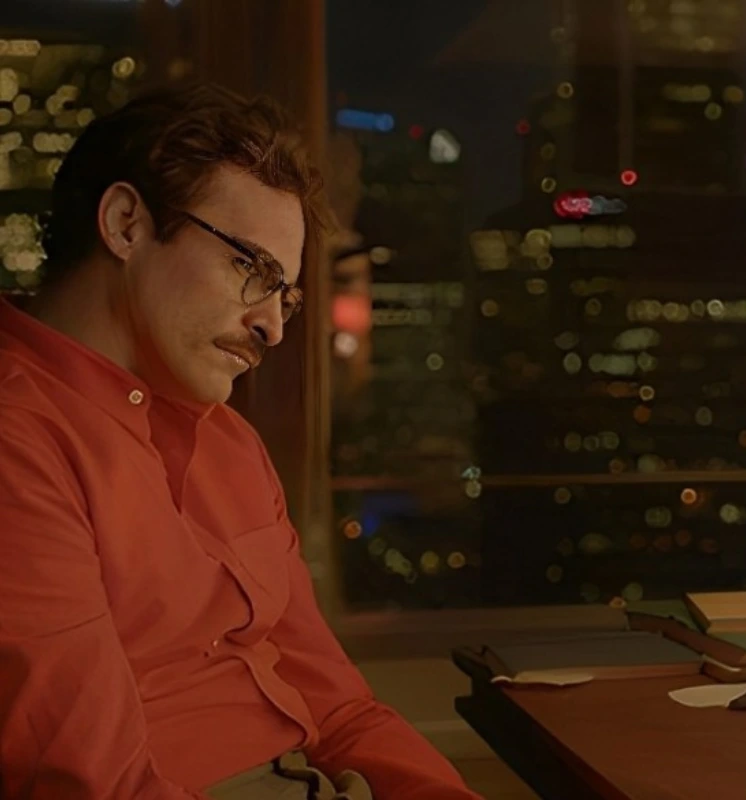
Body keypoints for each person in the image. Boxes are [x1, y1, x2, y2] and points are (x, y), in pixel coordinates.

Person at [0, 83, 483, 800]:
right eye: (250, 268)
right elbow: (92, 785)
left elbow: (343, 712)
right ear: (127, 223)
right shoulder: (20, 437)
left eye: (283, 295)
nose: (274, 327)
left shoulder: (231, 445)